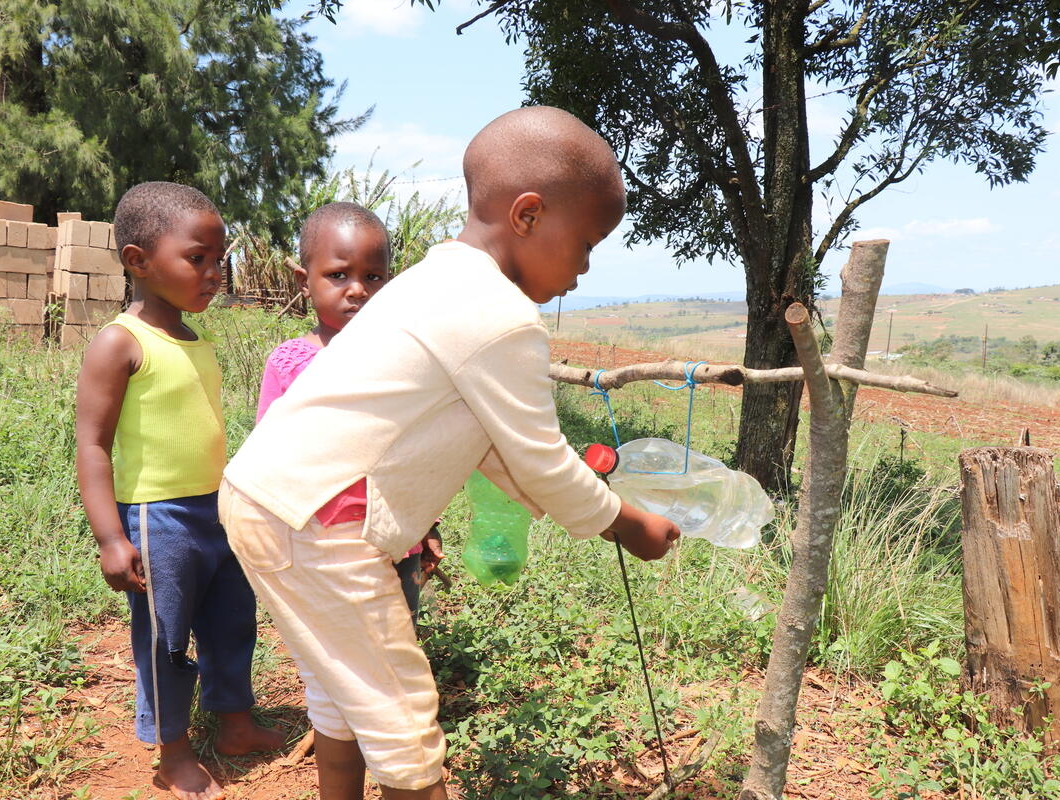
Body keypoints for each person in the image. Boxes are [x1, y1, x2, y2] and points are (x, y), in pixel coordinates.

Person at [219, 106, 681, 800]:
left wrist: (577, 499)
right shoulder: (501, 318)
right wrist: (626, 522)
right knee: (404, 730)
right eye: (586, 243)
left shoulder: (436, 279)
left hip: (272, 499)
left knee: (351, 693)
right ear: (527, 215)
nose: (585, 270)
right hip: (319, 522)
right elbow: (541, 459)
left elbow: (495, 447)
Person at [75, 182, 284, 800]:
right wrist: (112, 537)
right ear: (138, 260)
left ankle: (236, 723)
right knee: (166, 638)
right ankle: (173, 751)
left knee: (231, 622)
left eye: (220, 259)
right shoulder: (121, 342)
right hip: (157, 520)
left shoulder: (196, 339)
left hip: (218, 511)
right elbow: (92, 445)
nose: (215, 273)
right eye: (198, 258)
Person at [254, 201, 442, 623]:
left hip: (395, 539)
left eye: (373, 277)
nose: (358, 289)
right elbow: (267, 462)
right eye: (338, 275)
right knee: (335, 653)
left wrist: (427, 523)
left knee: (396, 642)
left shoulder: (404, 361)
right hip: (322, 545)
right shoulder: (289, 364)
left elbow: (416, 453)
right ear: (305, 281)